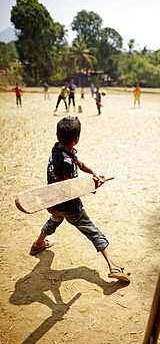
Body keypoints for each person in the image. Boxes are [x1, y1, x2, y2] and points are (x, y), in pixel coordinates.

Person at [29, 116, 130, 282]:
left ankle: (38, 244)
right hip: (70, 207)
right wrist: (89, 188)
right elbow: (68, 189)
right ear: (76, 140)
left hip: (55, 204)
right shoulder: (66, 162)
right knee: (93, 232)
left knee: (54, 220)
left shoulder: (58, 150)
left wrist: (94, 173)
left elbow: (80, 163)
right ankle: (113, 267)